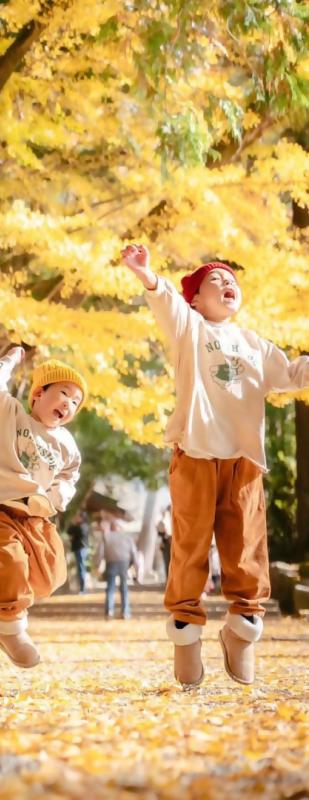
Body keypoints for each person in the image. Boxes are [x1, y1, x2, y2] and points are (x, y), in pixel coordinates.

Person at [121, 243, 309, 687]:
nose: (227, 284)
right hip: (196, 452)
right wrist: (147, 275)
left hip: (243, 459)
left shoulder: (254, 345)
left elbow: (291, 374)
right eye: (214, 281)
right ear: (196, 300)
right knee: (189, 547)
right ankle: (186, 638)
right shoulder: (191, 330)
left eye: (231, 280)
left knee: (246, 549)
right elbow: (165, 304)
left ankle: (242, 631)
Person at [0, 347, 86, 668]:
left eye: (75, 402)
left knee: (51, 573)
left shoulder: (67, 444)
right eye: (63, 394)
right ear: (37, 395)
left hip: (36, 513)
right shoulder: (8, 413)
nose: (69, 403)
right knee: (10, 563)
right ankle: (10, 628)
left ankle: (12, 611)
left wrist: (53, 499)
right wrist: (9, 361)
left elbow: (69, 476)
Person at [96, 513, 137, 620]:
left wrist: (98, 564)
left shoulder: (106, 536)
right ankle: (125, 612)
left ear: (112, 527)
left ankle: (109, 611)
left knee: (110, 588)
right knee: (124, 588)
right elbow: (134, 552)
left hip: (111, 563)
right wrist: (136, 567)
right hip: (124, 563)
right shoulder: (127, 537)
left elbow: (100, 552)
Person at [67, 511, 90, 594]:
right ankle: (82, 588)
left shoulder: (79, 527)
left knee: (81, 569)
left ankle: (82, 589)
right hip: (82, 549)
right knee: (81, 568)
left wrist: (73, 522)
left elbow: (69, 531)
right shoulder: (85, 526)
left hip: (80, 549)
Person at [156, 504, 172, 584]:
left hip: (174, 544)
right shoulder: (163, 521)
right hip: (167, 544)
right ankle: (169, 581)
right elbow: (160, 533)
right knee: (168, 563)